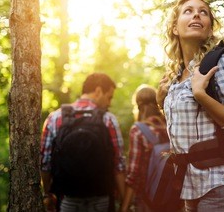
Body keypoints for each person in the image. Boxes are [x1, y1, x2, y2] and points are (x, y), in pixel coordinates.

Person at [156, 0, 224, 212]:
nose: (196, 16)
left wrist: (201, 95)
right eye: (188, 11)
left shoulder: (222, 63)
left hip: (223, 185)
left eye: (203, 13)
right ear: (174, 27)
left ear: (209, 27)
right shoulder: (175, 77)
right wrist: (160, 101)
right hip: (190, 190)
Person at [40, 72, 126, 212]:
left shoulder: (54, 118)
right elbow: (119, 164)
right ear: (98, 91)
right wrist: (124, 201)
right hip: (101, 198)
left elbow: (45, 163)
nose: (109, 103)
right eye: (109, 97)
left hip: (68, 199)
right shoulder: (108, 120)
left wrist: (48, 194)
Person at [120, 85, 169, 212]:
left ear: (138, 105)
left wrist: (124, 207)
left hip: (148, 199)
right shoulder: (169, 125)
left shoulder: (138, 130)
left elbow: (134, 174)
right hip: (173, 197)